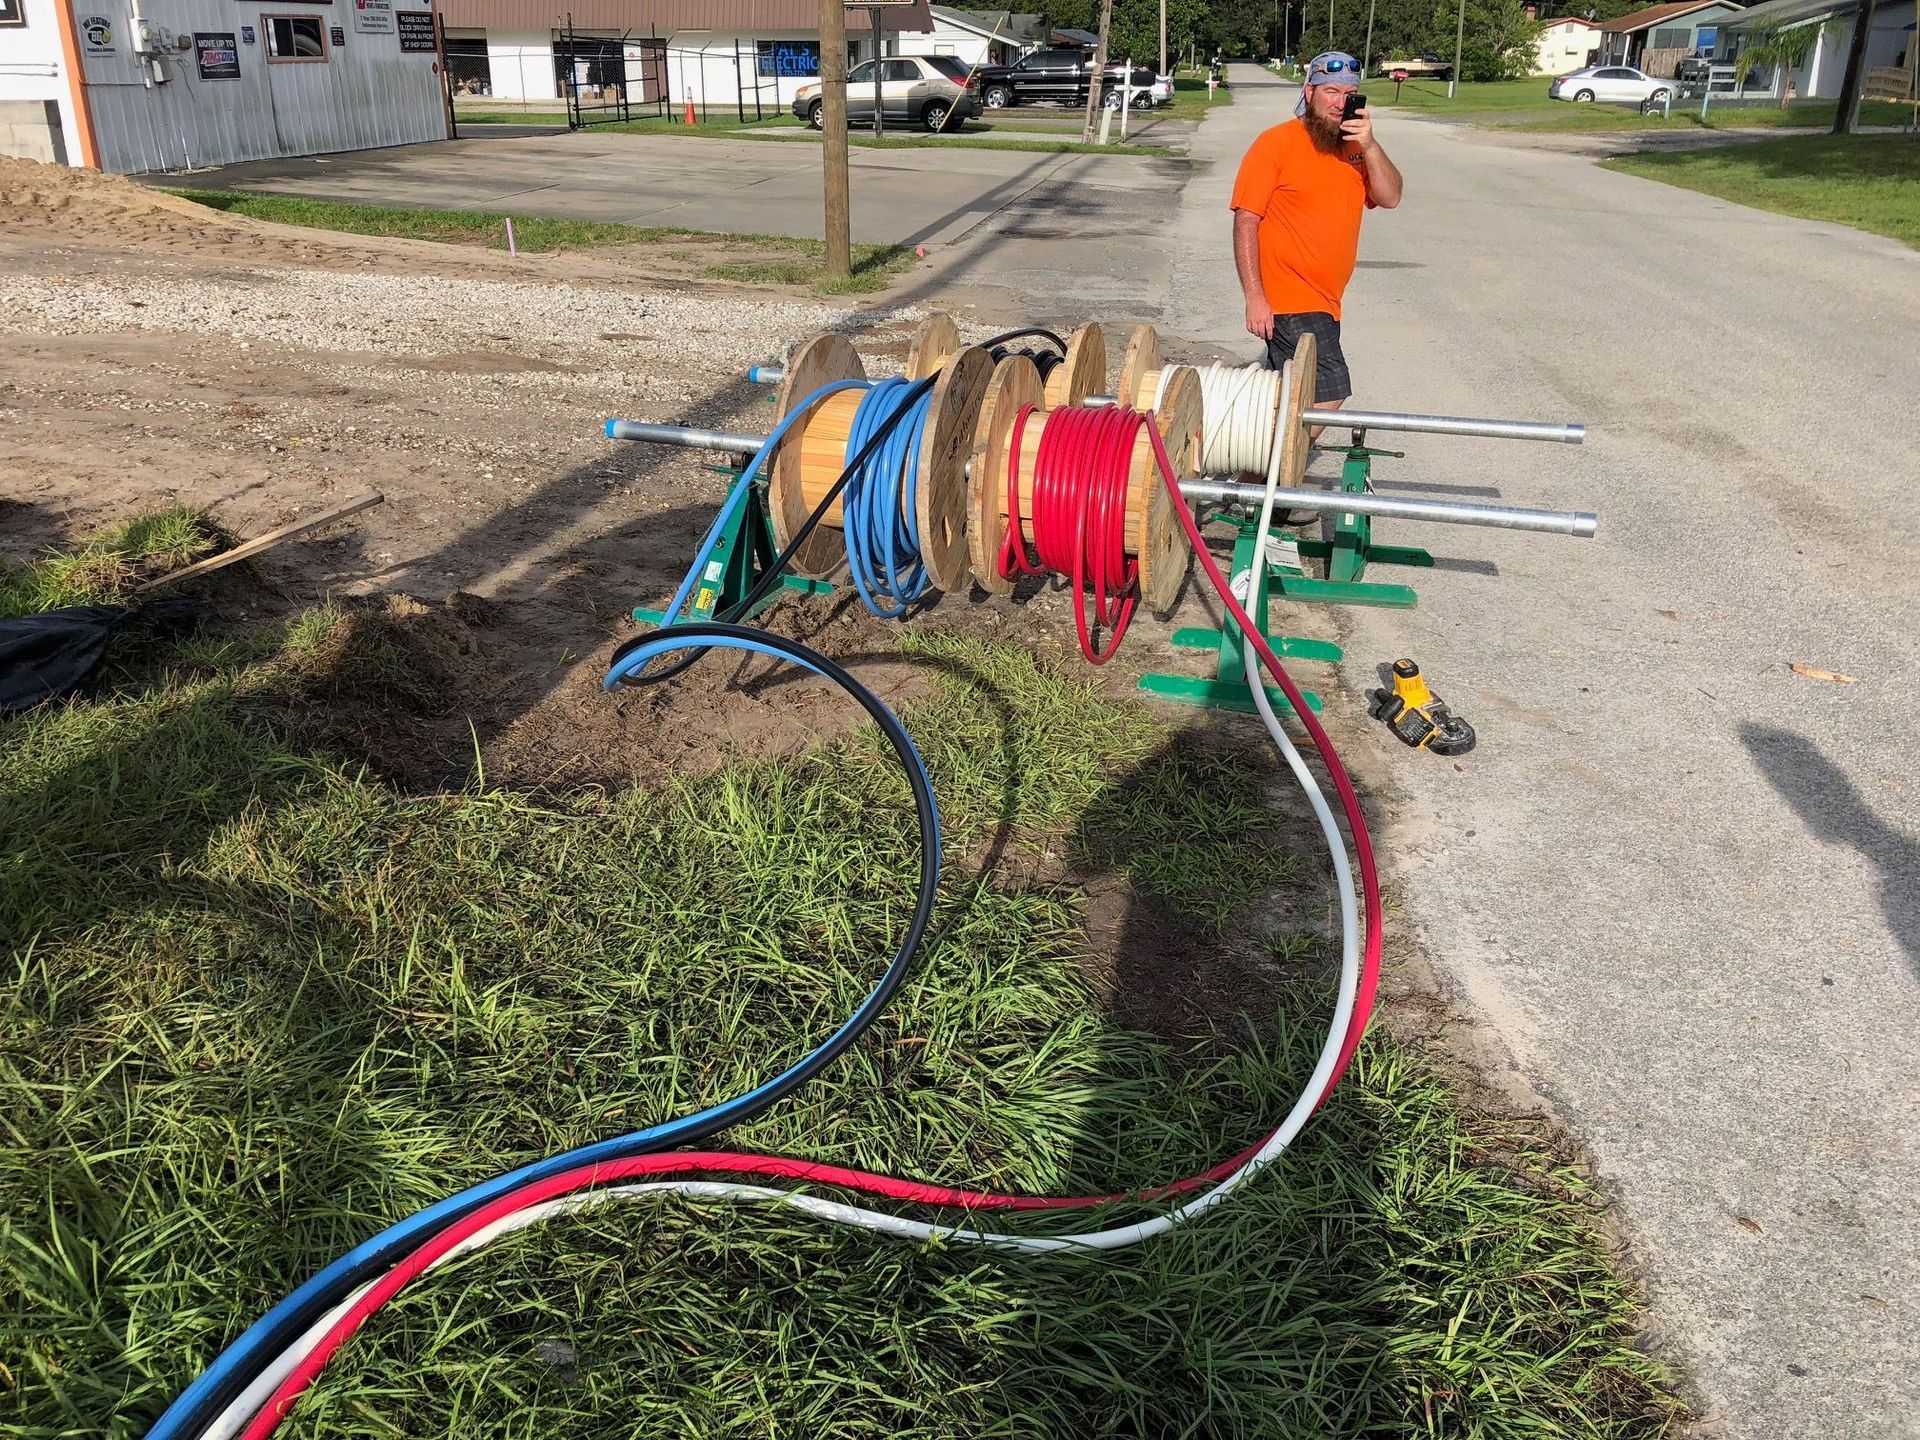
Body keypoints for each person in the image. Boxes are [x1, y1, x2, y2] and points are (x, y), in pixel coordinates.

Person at [1229, 50, 1402, 434]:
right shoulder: (1276, 144)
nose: (1340, 103)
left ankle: (1254, 476)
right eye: (1331, 92)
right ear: (1309, 92)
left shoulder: (1356, 150)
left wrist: (1371, 146)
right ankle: (1267, 478)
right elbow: (1246, 221)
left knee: (1295, 395)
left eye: (1349, 95)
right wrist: (1255, 297)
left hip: (1326, 301)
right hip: (1289, 298)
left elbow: (1390, 196)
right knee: (1331, 385)